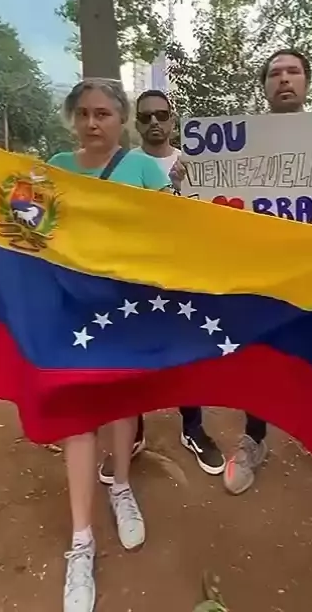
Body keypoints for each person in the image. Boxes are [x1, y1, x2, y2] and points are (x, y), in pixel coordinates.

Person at [0, 78, 172, 612]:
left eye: (103, 114)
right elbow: (28, 222)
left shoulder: (143, 169)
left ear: (121, 119)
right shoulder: (56, 168)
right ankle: (81, 542)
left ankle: (122, 487)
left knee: (122, 403)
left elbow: (172, 231)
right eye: (83, 113)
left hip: (125, 306)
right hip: (69, 310)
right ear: (72, 119)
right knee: (77, 415)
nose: (92, 123)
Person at [222, 50, 312, 516]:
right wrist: (191, 175)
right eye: (275, 73)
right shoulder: (234, 147)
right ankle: (254, 439)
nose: (284, 79)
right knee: (260, 362)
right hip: (262, 277)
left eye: (293, 72)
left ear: (306, 81)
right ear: (264, 86)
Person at [98, 89, 226, 481]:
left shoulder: (201, 162)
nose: (155, 121)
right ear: (136, 124)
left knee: (187, 351)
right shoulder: (123, 166)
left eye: (162, 114)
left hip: (187, 276)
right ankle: (133, 433)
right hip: (134, 279)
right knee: (133, 355)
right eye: (146, 116)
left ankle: (193, 428)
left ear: (173, 119)